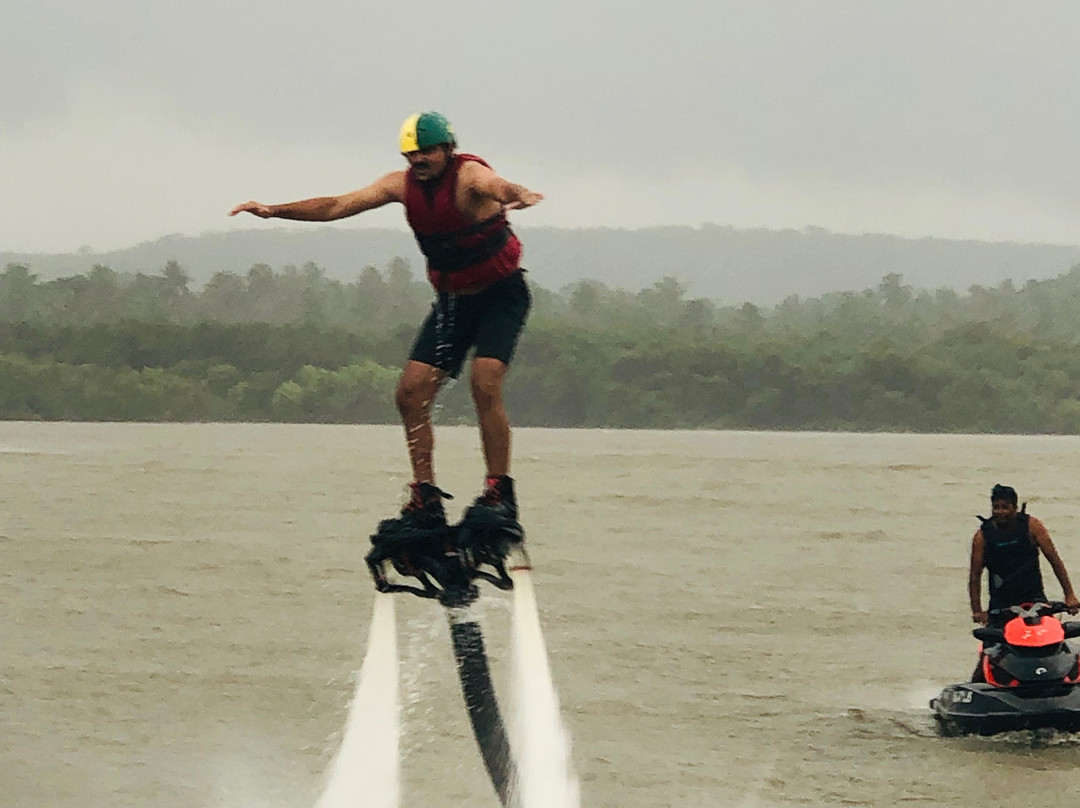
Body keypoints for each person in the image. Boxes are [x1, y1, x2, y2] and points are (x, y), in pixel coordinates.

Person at [229, 111, 542, 538]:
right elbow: (337, 205)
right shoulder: (399, 185)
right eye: (411, 154)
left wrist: (518, 192)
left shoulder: (468, 176)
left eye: (427, 152)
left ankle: (498, 490)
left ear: (447, 149)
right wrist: (273, 211)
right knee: (410, 393)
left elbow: (496, 186)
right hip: (453, 303)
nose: (419, 161)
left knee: (484, 383)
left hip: (501, 296)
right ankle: (426, 496)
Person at [968, 484, 1080, 626]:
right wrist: (977, 610)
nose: (1000, 512)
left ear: (1015, 508)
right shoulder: (982, 536)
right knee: (994, 645)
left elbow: (1055, 561)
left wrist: (1069, 595)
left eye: (1005, 507)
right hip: (1001, 605)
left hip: (1034, 599)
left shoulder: (1032, 527)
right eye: (996, 507)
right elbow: (974, 576)